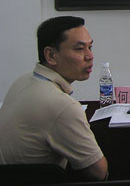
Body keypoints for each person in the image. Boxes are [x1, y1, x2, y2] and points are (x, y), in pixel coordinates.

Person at [0, 16, 108, 181]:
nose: (90, 56)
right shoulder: (62, 106)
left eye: (90, 47)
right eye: (80, 49)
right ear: (50, 55)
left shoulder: (23, 80)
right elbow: (98, 172)